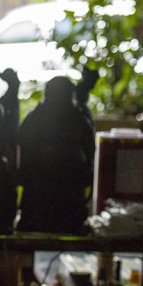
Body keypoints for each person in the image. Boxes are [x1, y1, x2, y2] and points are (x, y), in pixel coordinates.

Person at [15, 75, 96, 234]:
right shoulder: (78, 119)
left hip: (41, 202)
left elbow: (21, 152)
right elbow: (90, 154)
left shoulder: (34, 117)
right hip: (64, 201)